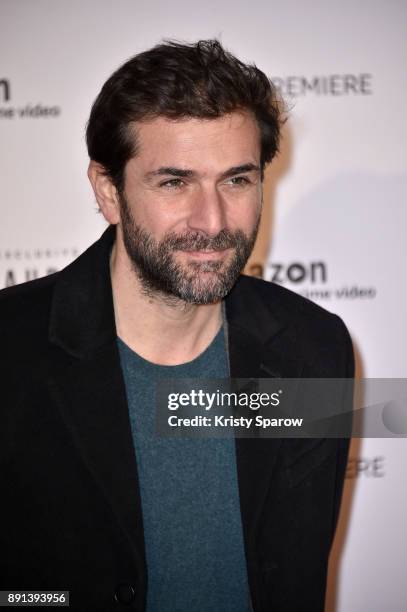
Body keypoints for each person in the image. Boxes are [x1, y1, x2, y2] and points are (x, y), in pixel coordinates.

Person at [0, 40, 354, 611]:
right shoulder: (10, 351)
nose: (211, 221)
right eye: (174, 183)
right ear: (108, 190)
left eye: (237, 180)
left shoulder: (314, 348)